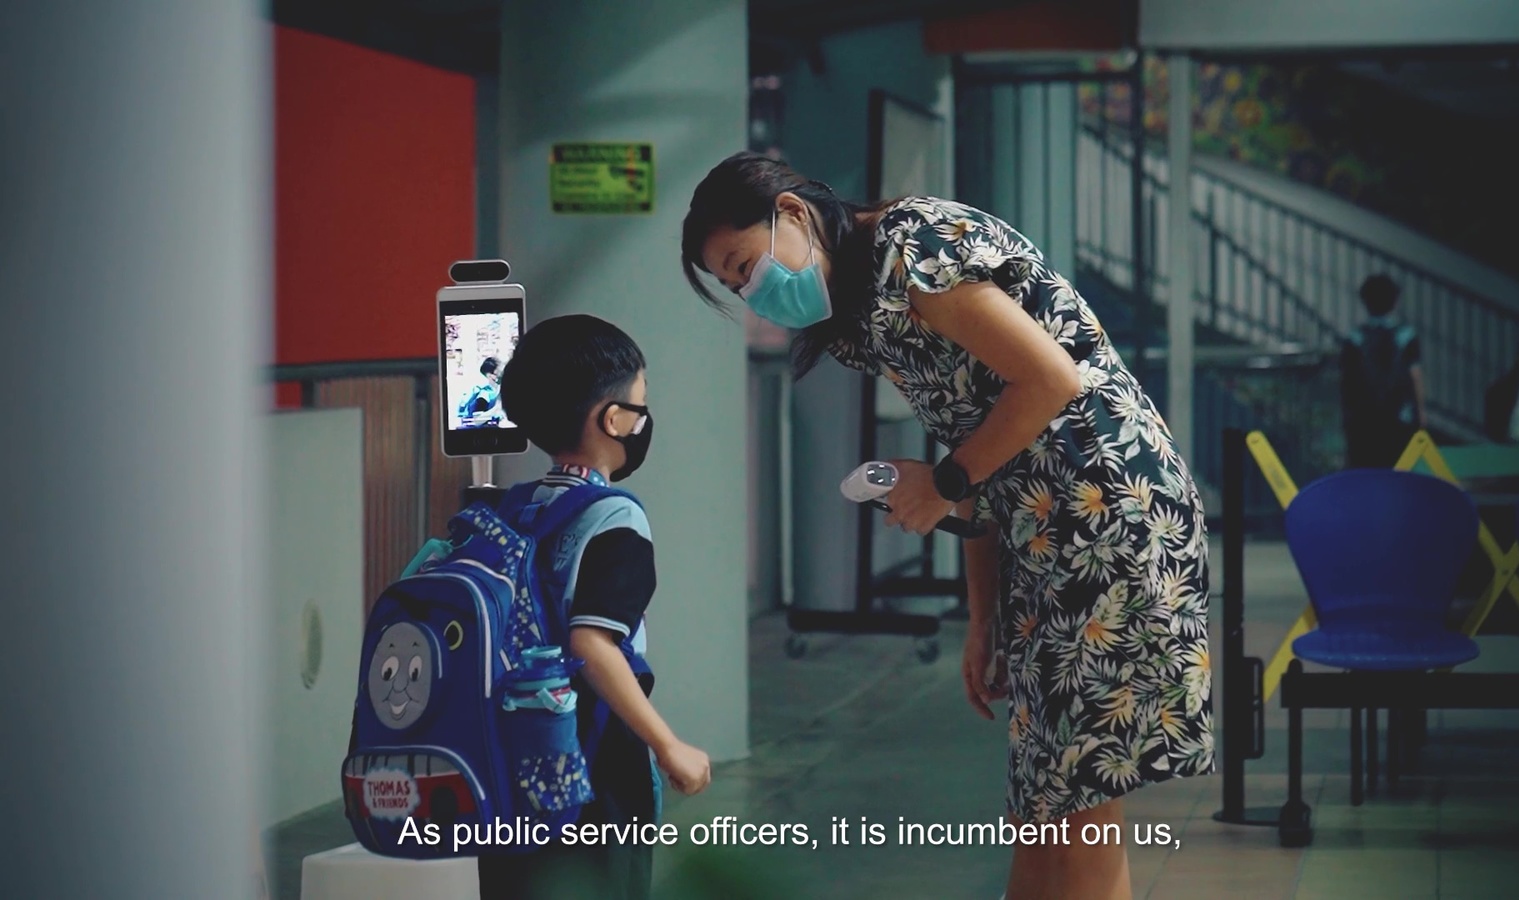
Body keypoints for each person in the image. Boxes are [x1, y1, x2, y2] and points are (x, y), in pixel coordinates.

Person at [680, 152, 1212, 900]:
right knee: (1043, 806)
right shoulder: (862, 310)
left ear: (792, 214)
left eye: (744, 264)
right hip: (1047, 536)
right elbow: (979, 445)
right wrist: (983, 617)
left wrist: (948, 482)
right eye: (736, 286)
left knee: (1077, 814)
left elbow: (1050, 380)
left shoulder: (914, 247)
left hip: (1110, 520)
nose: (753, 293)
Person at [482, 314, 712, 900]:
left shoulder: (514, 508)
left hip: (511, 750)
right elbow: (593, 643)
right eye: (640, 404)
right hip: (593, 754)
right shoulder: (615, 517)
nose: (643, 419)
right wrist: (668, 746)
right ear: (614, 420)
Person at [1339, 274, 1425, 468]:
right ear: (1394, 301)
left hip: (1364, 417)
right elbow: (1415, 375)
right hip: (1399, 416)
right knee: (1400, 469)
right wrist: (1420, 411)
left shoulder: (1355, 338)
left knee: (1367, 470)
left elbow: (1347, 383)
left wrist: (1347, 417)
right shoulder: (1406, 335)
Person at [461, 356, 505, 427]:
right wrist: (497, 407)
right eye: (500, 371)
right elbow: (476, 420)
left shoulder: (499, 390)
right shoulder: (484, 394)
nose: (503, 373)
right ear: (490, 375)